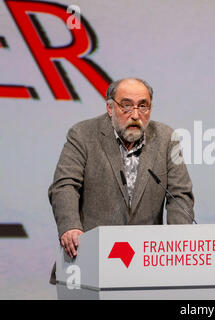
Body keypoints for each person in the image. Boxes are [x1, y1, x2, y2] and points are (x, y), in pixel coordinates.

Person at [48, 77, 194, 284]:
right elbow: (65, 185)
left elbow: (180, 194)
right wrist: (70, 226)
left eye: (143, 106)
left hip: (147, 263)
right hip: (91, 259)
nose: (135, 115)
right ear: (110, 108)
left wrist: (178, 241)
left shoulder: (167, 138)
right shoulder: (82, 134)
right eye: (126, 106)